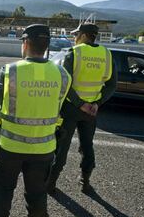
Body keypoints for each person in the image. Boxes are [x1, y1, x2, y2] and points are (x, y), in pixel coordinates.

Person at [0, 24, 71, 217]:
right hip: (43, 149)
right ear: (47, 46)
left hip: (10, 147)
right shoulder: (62, 75)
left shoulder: (9, 71)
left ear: (25, 43)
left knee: (3, 192)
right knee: (37, 195)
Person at [47, 23, 117, 194]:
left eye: (76, 34)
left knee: (61, 147)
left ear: (84, 35)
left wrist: (80, 104)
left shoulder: (74, 53)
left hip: (71, 109)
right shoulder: (106, 54)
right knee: (87, 146)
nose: (74, 37)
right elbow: (111, 85)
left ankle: (50, 184)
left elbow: (65, 84)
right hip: (91, 111)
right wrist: (96, 104)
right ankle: (85, 182)